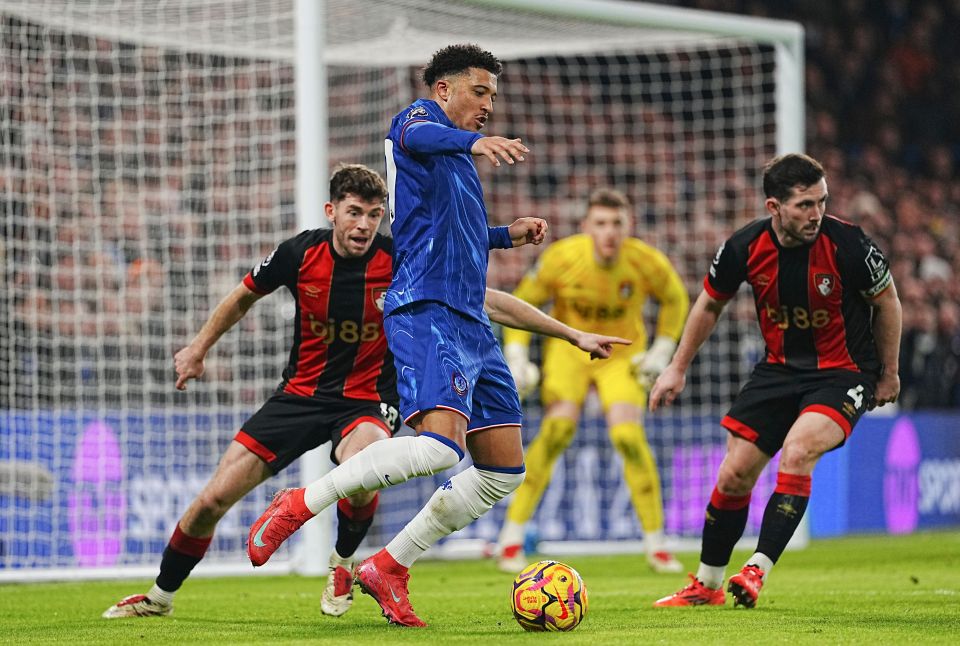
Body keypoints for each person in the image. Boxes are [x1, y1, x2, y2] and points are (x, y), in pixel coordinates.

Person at [101, 162, 625, 621]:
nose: (364, 225)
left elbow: (483, 299)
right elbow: (243, 297)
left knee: (366, 469)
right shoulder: (298, 254)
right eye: (354, 212)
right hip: (300, 395)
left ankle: (345, 563)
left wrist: (568, 332)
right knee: (212, 499)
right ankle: (159, 595)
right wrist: (198, 347)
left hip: (367, 400)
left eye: (374, 215)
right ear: (332, 210)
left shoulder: (401, 260)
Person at [245, 44, 629, 628]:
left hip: (472, 325)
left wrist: (508, 236)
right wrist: (472, 141)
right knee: (439, 448)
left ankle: (389, 566)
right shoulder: (418, 124)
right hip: (425, 311)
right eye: (479, 92)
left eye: (493, 96)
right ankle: (301, 503)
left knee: (502, 472)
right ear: (444, 89)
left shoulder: (459, 170)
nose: (488, 107)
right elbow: (422, 139)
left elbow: (460, 236)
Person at [650, 153, 901, 609]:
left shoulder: (848, 243)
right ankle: (707, 585)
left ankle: (756, 570)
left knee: (799, 449)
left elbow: (887, 301)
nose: (816, 214)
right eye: (805, 205)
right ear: (774, 207)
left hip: (842, 372)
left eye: (821, 202)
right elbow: (709, 304)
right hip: (779, 370)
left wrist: (889, 372)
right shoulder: (744, 246)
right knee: (733, 474)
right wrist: (677, 367)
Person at [494, 187, 689, 574]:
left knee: (628, 438)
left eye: (617, 223)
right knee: (556, 432)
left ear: (629, 225)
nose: (609, 232)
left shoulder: (645, 261)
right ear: (585, 226)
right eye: (600, 223)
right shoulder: (563, 257)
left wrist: (662, 351)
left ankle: (657, 544)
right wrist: (517, 357)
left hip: (621, 355)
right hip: (571, 350)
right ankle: (510, 538)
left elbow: (676, 298)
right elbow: (521, 303)